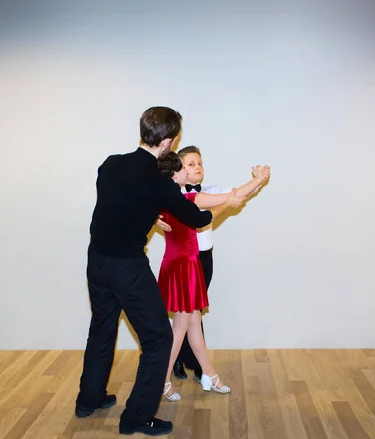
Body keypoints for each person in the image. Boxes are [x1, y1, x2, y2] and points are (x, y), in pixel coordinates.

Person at [75, 107, 213, 437]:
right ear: (169, 141)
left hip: (97, 261)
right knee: (158, 339)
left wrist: (148, 214)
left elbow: (117, 201)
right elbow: (196, 219)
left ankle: (88, 399)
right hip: (127, 268)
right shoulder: (159, 182)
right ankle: (136, 417)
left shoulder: (110, 164)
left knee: (102, 328)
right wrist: (218, 207)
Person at [156, 152, 270, 401]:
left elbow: (233, 195)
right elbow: (233, 196)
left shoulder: (162, 199)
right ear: (174, 174)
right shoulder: (188, 199)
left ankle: (209, 374)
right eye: (185, 167)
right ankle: (162, 380)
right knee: (179, 328)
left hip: (179, 264)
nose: (190, 170)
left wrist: (152, 218)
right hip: (184, 267)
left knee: (194, 324)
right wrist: (259, 179)